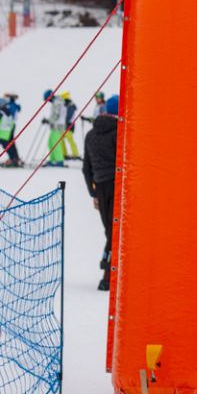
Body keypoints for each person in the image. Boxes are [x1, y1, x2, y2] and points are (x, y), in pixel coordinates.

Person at [83, 95, 119, 290]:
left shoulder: (91, 135)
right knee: (114, 231)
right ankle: (108, 275)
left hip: (100, 186)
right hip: (117, 186)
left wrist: (94, 194)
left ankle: (110, 271)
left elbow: (86, 169)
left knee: (110, 230)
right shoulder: (119, 133)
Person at [0, 93, 22, 166]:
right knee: (7, 147)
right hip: (6, 133)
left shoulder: (1, 113)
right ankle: (14, 159)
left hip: (1, 134)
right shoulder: (8, 112)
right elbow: (11, 123)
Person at [40, 89, 65, 167]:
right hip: (55, 126)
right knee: (50, 142)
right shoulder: (55, 102)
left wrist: (48, 120)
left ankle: (59, 160)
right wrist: (48, 120)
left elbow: (56, 115)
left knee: (55, 143)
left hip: (58, 126)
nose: (48, 101)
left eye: (47, 99)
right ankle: (53, 159)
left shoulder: (57, 102)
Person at [60, 91, 80, 160]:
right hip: (65, 125)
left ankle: (75, 154)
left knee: (70, 139)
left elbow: (68, 116)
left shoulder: (70, 105)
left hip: (69, 125)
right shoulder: (66, 105)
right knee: (61, 139)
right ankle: (64, 154)